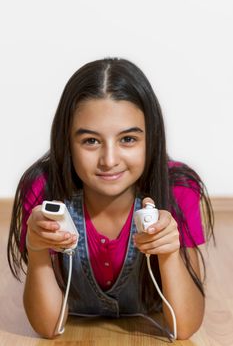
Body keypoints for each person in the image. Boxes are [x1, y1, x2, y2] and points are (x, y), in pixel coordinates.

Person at [7, 58, 214, 340]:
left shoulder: (178, 188)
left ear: (151, 139)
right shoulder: (44, 187)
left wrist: (168, 253)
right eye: (91, 141)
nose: (109, 160)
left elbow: (185, 327)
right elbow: (48, 327)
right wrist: (37, 248)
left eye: (128, 139)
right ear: (66, 142)